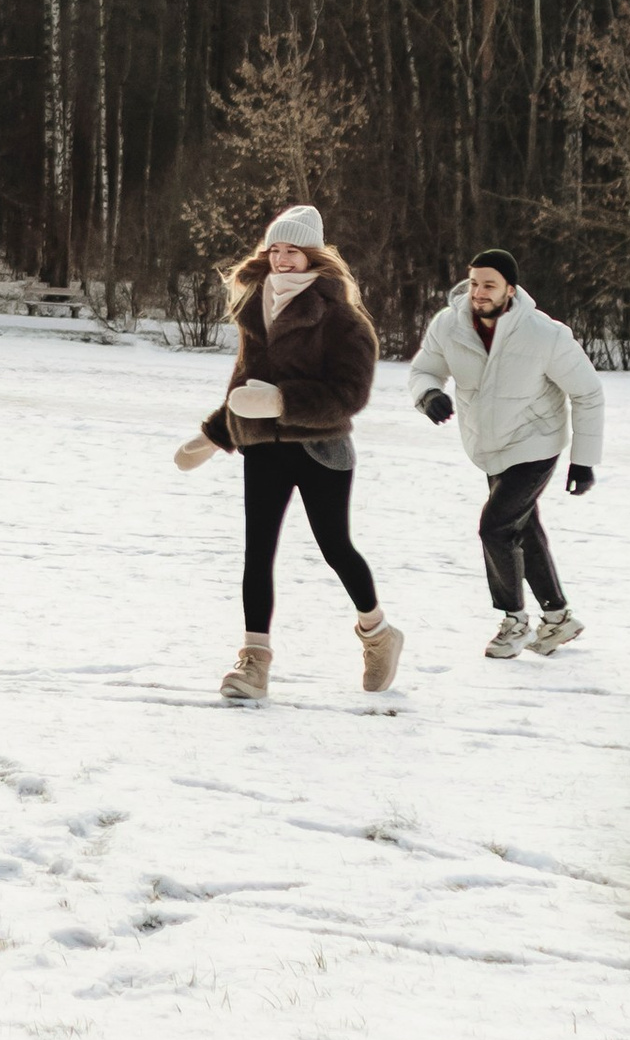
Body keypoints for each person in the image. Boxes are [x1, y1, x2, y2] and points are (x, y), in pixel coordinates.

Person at [173, 204, 402, 702]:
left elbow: (350, 396)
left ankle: (378, 634)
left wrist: (281, 402)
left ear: (312, 255)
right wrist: (215, 435)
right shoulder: (255, 305)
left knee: (334, 547)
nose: (280, 259)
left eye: (291, 251)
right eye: (274, 249)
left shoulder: (342, 317)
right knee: (258, 553)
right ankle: (255, 662)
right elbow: (244, 384)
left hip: (321, 449)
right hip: (263, 449)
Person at [409, 251, 602, 658]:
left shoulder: (544, 334)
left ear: (510, 290)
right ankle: (559, 618)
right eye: (474, 283)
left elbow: (587, 392)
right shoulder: (450, 324)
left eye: (489, 285)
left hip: (536, 442)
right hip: (488, 444)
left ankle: (515, 621)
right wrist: (428, 395)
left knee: (495, 527)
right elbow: (423, 369)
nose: (478, 293)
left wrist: (583, 460)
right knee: (521, 529)